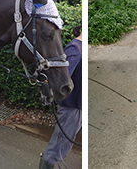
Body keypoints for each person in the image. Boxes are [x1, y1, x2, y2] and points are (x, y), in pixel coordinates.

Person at [39, 25, 82, 169]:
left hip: (79, 105)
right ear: (81, 29)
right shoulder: (75, 48)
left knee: (65, 142)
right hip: (72, 106)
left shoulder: (81, 47)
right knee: (60, 145)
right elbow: (62, 78)